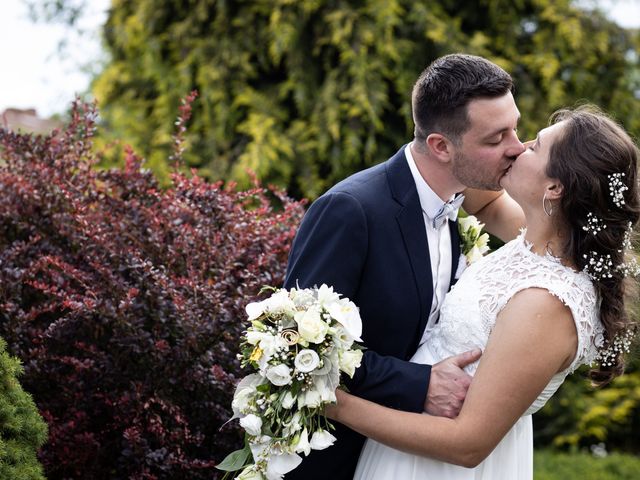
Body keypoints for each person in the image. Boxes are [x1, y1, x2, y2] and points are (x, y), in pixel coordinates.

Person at [325, 106, 640, 480]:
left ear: (555, 188)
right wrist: (463, 135)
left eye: (534, 146)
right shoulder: (540, 235)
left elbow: (467, 444)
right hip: (406, 434)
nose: (517, 147)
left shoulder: (546, 303)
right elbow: (482, 198)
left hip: (433, 465)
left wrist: (331, 402)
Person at [283, 53, 524, 479]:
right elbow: (296, 349)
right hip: (333, 458)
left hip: (410, 458)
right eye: (496, 138)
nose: (516, 148)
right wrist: (420, 384)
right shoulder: (350, 209)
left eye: (516, 127)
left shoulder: (462, 200)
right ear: (441, 146)